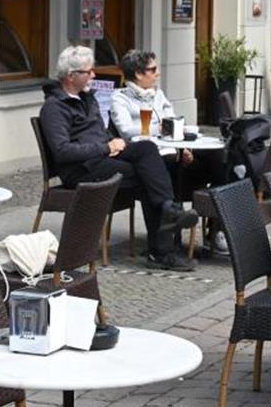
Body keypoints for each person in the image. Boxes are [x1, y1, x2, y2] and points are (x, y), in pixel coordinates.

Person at [40, 45, 198, 272]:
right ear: (71, 76)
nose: (94, 75)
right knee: (148, 176)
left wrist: (111, 144)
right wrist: (105, 147)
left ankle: (167, 210)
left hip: (101, 157)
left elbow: (99, 131)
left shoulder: (88, 99)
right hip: (81, 169)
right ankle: (162, 248)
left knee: (146, 149)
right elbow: (63, 151)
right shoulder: (54, 108)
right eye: (88, 72)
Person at [110, 50, 231, 255]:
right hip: (151, 158)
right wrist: (157, 129)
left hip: (172, 152)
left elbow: (173, 121)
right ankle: (170, 228)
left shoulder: (158, 94)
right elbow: (126, 130)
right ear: (139, 74)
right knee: (167, 165)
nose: (158, 74)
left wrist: (185, 147)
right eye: (153, 69)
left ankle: (216, 230)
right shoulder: (120, 98)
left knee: (218, 158)